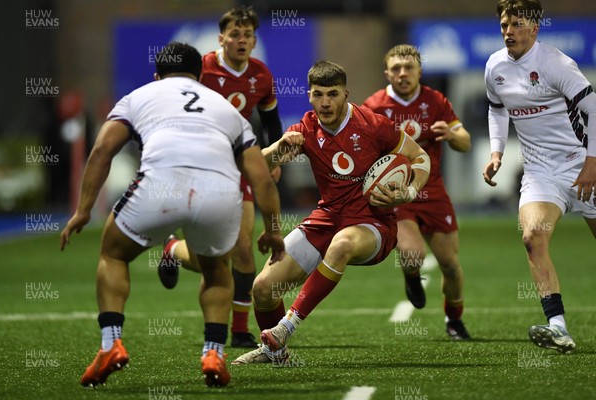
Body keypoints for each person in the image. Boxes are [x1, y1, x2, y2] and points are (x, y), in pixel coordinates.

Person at [59, 42, 284, 387]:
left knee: (114, 253)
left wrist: (83, 209)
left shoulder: (140, 96)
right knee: (217, 270)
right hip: (220, 194)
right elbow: (262, 180)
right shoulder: (225, 109)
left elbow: (104, 149)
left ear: (156, 74)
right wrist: (272, 231)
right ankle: (213, 353)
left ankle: (110, 344)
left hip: (159, 187)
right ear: (200, 75)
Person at [231, 60, 431, 364]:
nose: (325, 102)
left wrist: (410, 191)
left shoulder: (372, 125)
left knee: (342, 245)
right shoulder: (305, 130)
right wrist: (280, 147)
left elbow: (420, 157)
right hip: (327, 218)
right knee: (262, 289)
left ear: (346, 95)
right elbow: (256, 169)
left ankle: (285, 328)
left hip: (374, 225)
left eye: (333, 94)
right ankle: (277, 355)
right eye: (319, 94)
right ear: (309, 96)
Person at [157, 6, 283, 349]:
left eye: (247, 36)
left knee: (243, 252)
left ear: (254, 41)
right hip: (197, 165)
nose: (241, 41)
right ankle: (172, 249)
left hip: (236, 164)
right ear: (221, 39)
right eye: (235, 35)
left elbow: (271, 122)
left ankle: (239, 330)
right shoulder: (202, 69)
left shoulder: (261, 75)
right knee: (211, 258)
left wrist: (274, 156)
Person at [483, 0, 596, 353]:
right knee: (533, 236)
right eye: (504, 24)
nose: (508, 31)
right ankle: (558, 327)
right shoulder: (495, 66)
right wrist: (497, 152)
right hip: (540, 173)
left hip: (582, 165)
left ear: (534, 27)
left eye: (516, 24)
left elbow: (594, 110)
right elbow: (497, 109)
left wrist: (592, 162)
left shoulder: (556, 63)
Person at [362, 44, 472, 340]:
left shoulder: (435, 101)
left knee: (450, 265)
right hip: (399, 195)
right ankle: (412, 277)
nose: (403, 73)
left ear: (419, 71)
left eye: (408, 67)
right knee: (412, 255)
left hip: (433, 192)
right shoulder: (374, 106)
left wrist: (451, 135)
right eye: (396, 68)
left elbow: (465, 142)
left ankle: (454, 320)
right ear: (387, 73)